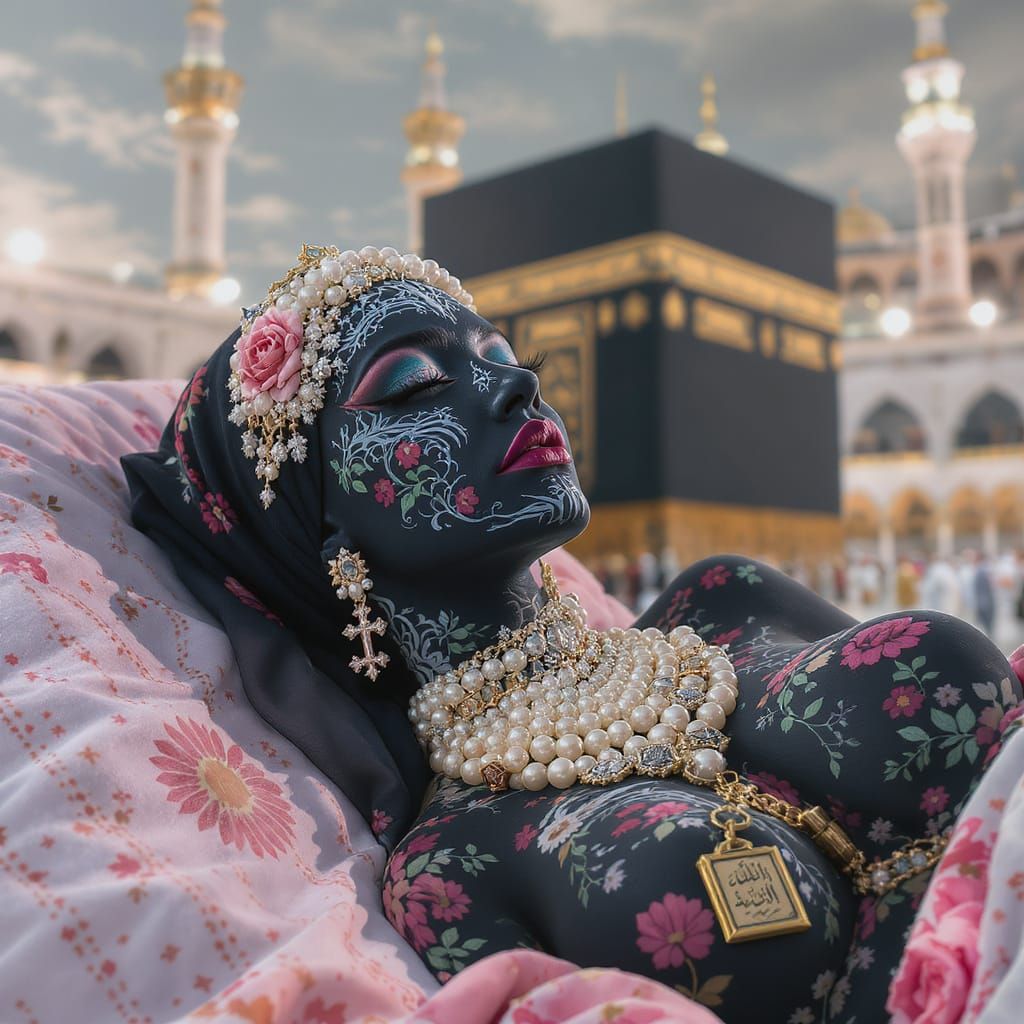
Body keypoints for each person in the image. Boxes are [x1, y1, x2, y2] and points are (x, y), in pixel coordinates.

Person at [123, 244, 1020, 1024]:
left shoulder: (730, 600)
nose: (515, 383)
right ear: (322, 528)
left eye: (505, 353)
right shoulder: (456, 871)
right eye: (414, 382)